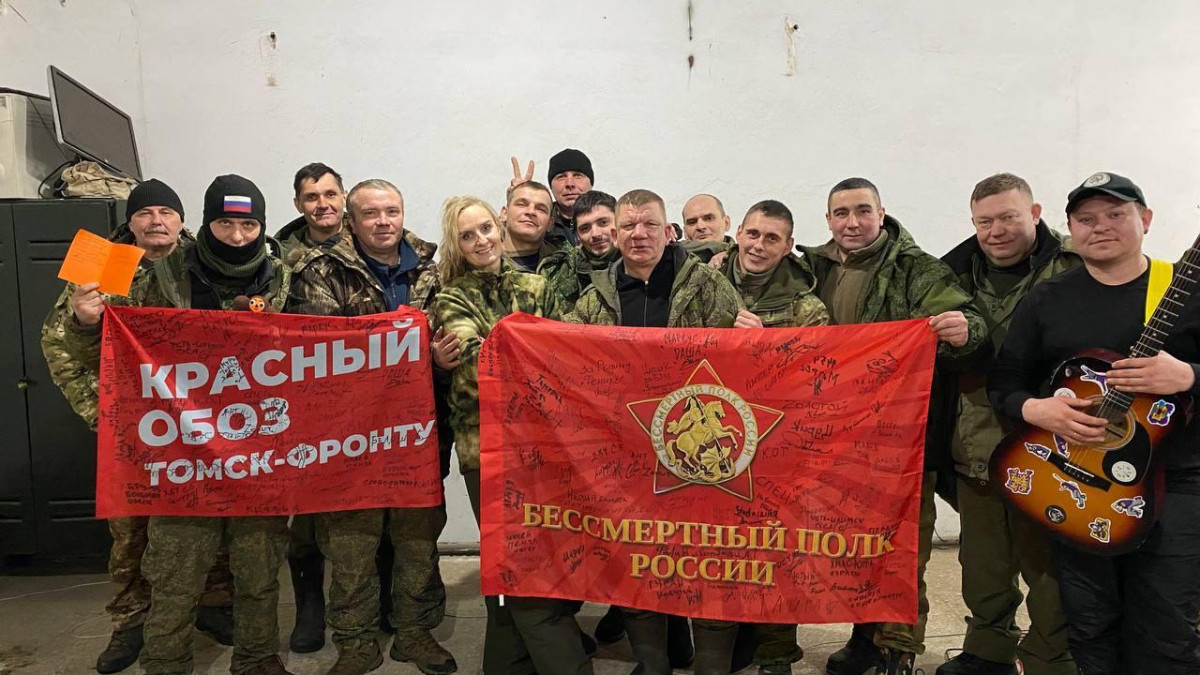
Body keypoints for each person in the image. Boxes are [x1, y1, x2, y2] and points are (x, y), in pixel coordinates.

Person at [65, 174, 294, 675]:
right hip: (174, 446)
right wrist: (109, 416)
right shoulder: (134, 270)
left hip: (254, 445)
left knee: (256, 566)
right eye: (225, 223)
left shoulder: (280, 273)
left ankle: (252, 652)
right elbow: (88, 350)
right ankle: (145, 640)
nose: (237, 236)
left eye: (249, 224)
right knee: (161, 561)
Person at [989, 172, 1200, 675]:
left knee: (1168, 626)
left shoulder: (1188, 290)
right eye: (1085, 219)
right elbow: (1006, 379)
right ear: (1070, 229)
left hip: (1177, 482)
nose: (1100, 226)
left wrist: (1189, 375)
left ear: (1145, 219)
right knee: (1089, 621)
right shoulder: (1047, 299)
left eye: (1115, 214)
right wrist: (1036, 409)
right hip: (1079, 479)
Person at [40, 179, 234, 674]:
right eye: (145, 213)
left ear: (182, 220)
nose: (156, 221)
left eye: (166, 212)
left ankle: (213, 604)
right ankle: (132, 621)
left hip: (198, 425)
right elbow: (59, 344)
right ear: (130, 221)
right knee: (131, 531)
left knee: (210, 520)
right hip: (133, 431)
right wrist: (101, 413)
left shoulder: (203, 259)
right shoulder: (103, 264)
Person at [801, 177, 985, 675]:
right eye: (841, 213)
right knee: (849, 546)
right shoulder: (811, 268)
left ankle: (898, 650)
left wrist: (964, 330)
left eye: (863, 210)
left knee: (901, 550)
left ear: (881, 214)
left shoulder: (916, 270)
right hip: (830, 439)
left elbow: (969, 322)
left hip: (900, 440)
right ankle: (864, 638)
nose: (852, 222)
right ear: (828, 219)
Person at [287, 178, 458, 675]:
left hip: (419, 431)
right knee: (351, 545)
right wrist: (405, 351)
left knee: (418, 539)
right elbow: (321, 349)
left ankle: (415, 630)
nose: (383, 222)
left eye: (392, 211)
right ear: (351, 219)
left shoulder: (433, 267)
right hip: (349, 435)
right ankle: (356, 641)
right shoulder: (319, 270)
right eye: (371, 214)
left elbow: (449, 329)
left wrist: (436, 358)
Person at [571, 189, 742, 675]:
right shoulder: (594, 299)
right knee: (637, 559)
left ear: (668, 231)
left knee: (709, 560)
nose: (639, 234)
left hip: (699, 455)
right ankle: (652, 663)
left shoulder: (707, 286)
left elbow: (743, 364)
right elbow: (563, 355)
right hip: (626, 456)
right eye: (629, 226)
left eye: (649, 224)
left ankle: (711, 665)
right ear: (615, 234)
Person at [434, 195, 594, 675]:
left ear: (499, 228)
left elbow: (570, 350)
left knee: (525, 559)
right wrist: (534, 354)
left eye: (485, 228)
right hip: (486, 450)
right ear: (458, 246)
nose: (481, 240)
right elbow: (475, 366)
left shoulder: (537, 286)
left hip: (547, 445)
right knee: (521, 561)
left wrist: (528, 354)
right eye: (467, 235)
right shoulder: (451, 298)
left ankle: (503, 664)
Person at [937, 173, 1079, 675]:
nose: (995, 231)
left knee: (1047, 565)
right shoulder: (949, 274)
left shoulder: (1074, 267)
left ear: (1035, 213)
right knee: (983, 562)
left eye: (1008, 218)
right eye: (984, 222)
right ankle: (988, 648)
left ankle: (1050, 659)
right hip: (975, 438)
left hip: (1055, 446)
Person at [537, 190, 620, 312]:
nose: (595, 234)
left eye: (603, 223)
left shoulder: (638, 264)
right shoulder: (563, 269)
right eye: (585, 228)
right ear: (577, 236)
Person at [276, 162, 349, 266]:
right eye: (312, 197)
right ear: (298, 204)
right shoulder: (280, 259)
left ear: (344, 198)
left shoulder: (367, 242)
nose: (323, 205)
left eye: (330, 195)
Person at [502, 180, 562, 272]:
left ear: (550, 224)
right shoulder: (484, 260)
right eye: (521, 204)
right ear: (504, 214)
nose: (531, 211)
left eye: (541, 209)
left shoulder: (565, 264)